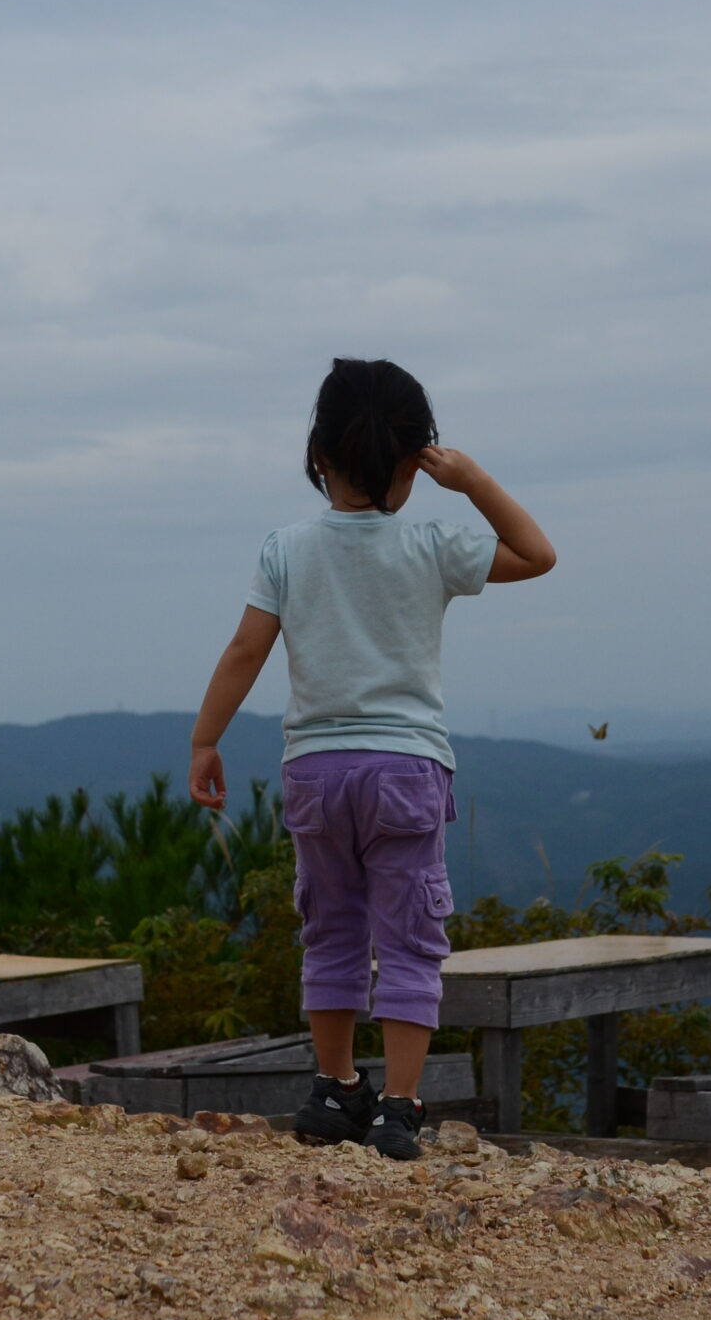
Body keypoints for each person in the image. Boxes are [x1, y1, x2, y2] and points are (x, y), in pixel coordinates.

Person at [187, 358, 556, 1160]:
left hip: (314, 773)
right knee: (411, 939)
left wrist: (205, 739)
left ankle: (332, 1088)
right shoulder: (430, 541)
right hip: (406, 772)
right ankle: (397, 1104)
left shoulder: (285, 547)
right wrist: (472, 480)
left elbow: (248, 647)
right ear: (412, 461)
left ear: (318, 453)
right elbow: (536, 554)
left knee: (332, 932)